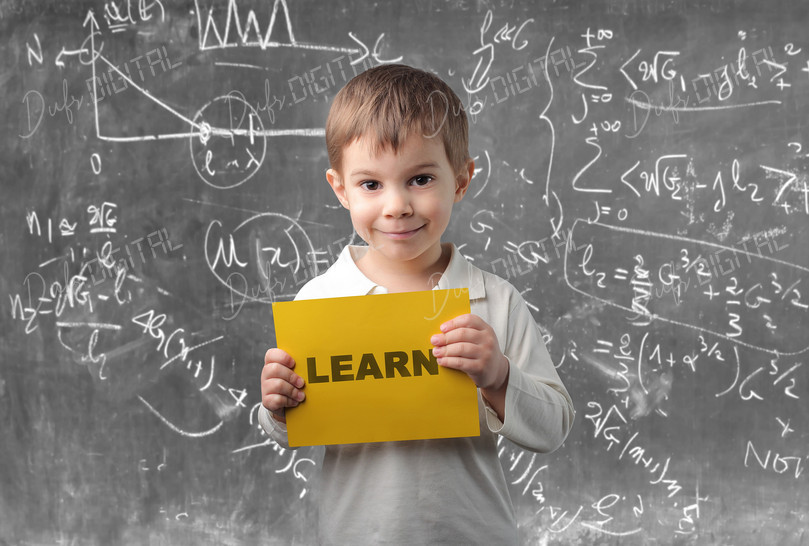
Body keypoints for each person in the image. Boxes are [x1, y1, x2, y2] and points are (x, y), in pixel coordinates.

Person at [259, 64, 574, 545]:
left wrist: (499, 376)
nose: (397, 205)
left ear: (462, 180)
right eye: (371, 185)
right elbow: (295, 430)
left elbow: (553, 427)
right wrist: (278, 408)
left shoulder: (495, 301)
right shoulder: (320, 302)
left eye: (421, 179)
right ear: (340, 189)